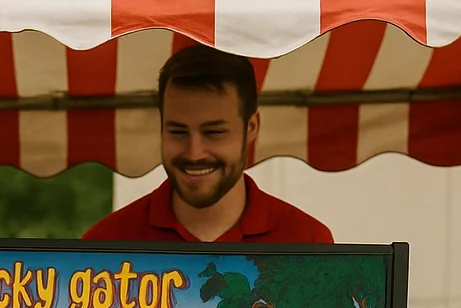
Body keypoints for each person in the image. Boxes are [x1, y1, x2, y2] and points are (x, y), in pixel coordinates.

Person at [83, 44, 333, 244]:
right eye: (178, 132)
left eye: (214, 132)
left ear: (251, 127)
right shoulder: (104, 244)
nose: (194, 153)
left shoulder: (309, 243)